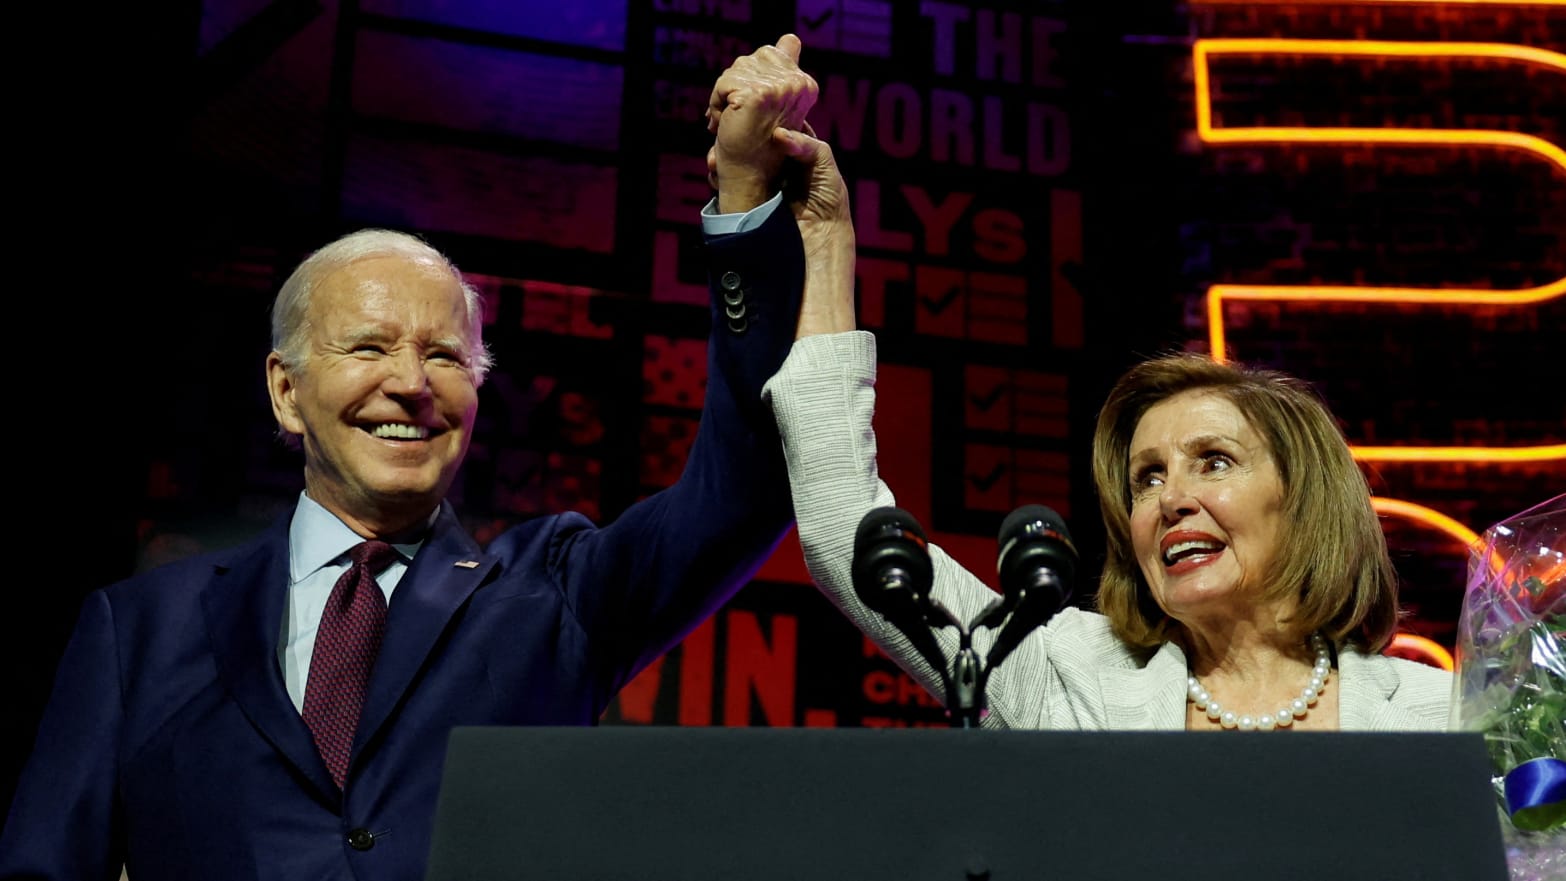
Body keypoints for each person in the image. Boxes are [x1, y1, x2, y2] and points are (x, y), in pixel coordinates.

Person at [0, 35, 826, 881]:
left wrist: (745, 199)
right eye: (368, 347)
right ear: (287, 392)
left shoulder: (555, 592)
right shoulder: (139, 629)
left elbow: (745, 488)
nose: (410, 384)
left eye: (443, 356)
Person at [740, 38, 1453, 733]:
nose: (1171, 499)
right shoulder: (1067, 678)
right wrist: (825, 235)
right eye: (1146, 479)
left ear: (1303, 499)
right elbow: (844, 530)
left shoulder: (1444, 716)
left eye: (1214, 461)